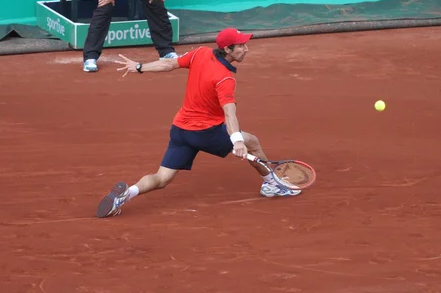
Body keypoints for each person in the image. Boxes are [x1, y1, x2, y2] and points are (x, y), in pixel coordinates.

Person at [96, 27, 300, 218]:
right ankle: (272, 184)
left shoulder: (199, 53)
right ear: (228, 49)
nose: (245, 49)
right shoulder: (225, 79)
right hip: (205, 133)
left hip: (180, 130)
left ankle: (125, 196)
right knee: (251, 142)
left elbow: (169, 64)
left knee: (162, 179)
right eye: (241, 46)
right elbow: (229, 114)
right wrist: (237, 141)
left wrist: (140, 67)